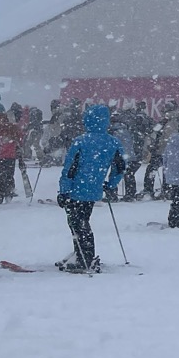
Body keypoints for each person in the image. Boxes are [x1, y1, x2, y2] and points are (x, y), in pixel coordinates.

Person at [55, 104, 126, 272]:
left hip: (75, 189)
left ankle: (85, 257)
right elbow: (120, 167)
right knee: (82, 220)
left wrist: (64, 190)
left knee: (77, 223)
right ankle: (80, 253)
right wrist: (111, 184)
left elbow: (69, 168)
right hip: (94, 190)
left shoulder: (81, 141)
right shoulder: (113, 142)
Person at [0, 104, 25, 203]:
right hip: (11, 155)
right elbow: (20, 138)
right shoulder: (13, 127)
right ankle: (8, 193)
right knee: (9, 174)